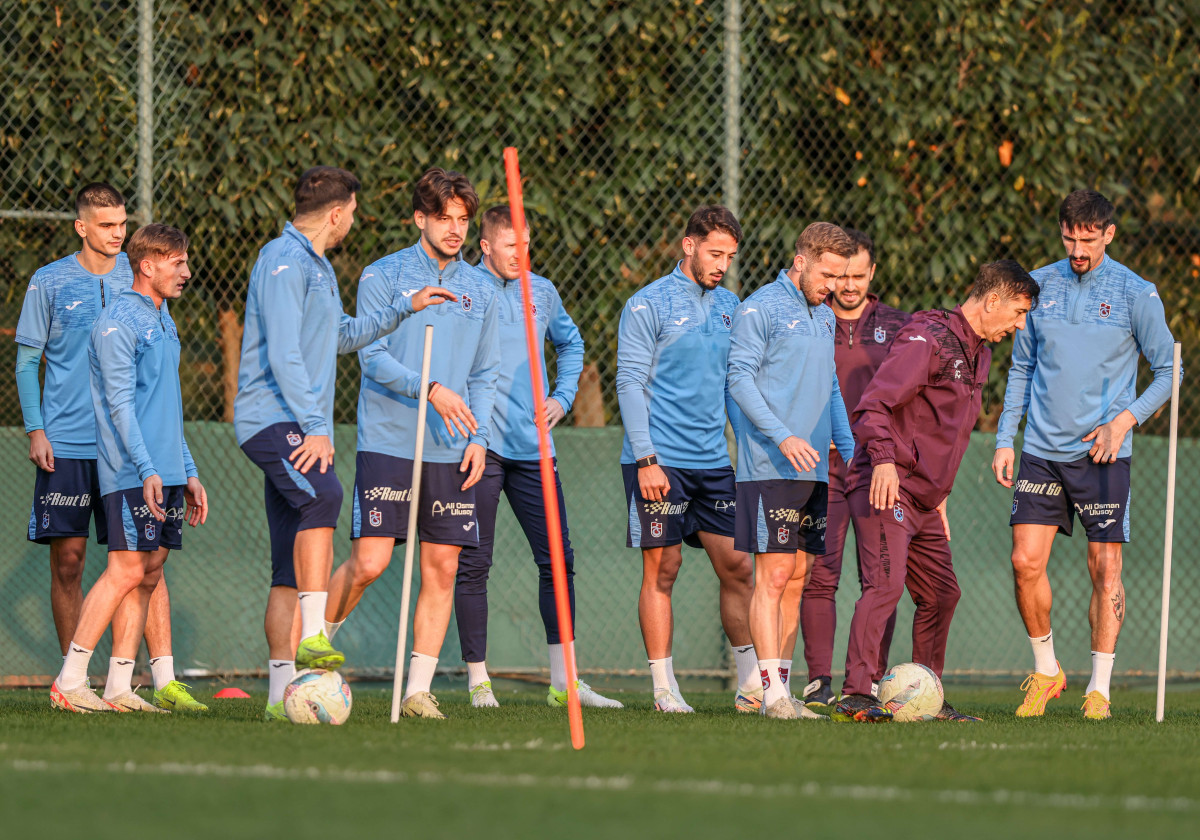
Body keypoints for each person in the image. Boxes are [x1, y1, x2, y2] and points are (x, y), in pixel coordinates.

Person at [234, 166, 454, 721]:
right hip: (272, 417)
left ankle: (279, 696)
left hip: (292, 418)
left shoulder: (318, 267)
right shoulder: (284, 262)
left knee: (290, 563)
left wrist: (408, 306)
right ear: (337, 214)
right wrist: (315, 425)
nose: (353, 221)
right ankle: (313, 638)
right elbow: (284, 354)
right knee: (325, 496)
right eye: (353, 212)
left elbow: (340, 338)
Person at [17, 185, 204, 713]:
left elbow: (161, 395)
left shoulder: (151, 296)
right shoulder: (52, 282)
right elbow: (29, 363)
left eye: (123, 224)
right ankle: (72, 677)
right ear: (82, 226)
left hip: (141, 447)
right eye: (106, 225)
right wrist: (37, 429)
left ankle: (130, 682)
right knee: (78, 562)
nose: (117, 234)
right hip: (79, 442)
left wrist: (183, 465)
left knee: (146, 563)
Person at [993, 190, 1176, 720]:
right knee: (1024, 563)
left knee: (1105, 569)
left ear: (1109, 235)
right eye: (1069, 237)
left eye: (1088, 239)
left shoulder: (1137, 293)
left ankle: (1100, 687)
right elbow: (1022, 367)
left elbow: (1171, 371)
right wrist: (1007, 436)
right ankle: (1047, 670)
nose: (1077, 248)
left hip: (1103, 455)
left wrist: (1125, 420)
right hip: (1041, 453)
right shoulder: (1039, 284)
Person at [323, 168, 498, 720]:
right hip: (391, 440)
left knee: (442, 567)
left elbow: (488, 372)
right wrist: (431, 390)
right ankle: (316, 646)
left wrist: (482, 438)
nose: (455, 229)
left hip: (453, 446)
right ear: (420, 218)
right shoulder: (382, 275)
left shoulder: (481, 290)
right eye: (444, 218)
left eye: (463, 219)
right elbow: (371, 358)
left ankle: (418, 689)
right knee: (370, 562)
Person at [836, 260, 1037, 723]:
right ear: (992, 301)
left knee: (942, 594)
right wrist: (884, 460)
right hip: (886, 483)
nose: (1020, 324)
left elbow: (943, 431)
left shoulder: (980, 352)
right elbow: (874, 406)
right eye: (1019, 311)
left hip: (924, 499)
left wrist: (939, 496)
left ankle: (927, 697)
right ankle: (856, 694)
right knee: (884, 586)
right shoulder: (925, 337)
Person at [451, 206, 622, 709]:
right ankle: (478, 681)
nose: (520, 256)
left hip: (535, 452)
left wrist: (563, 397)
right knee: (474, 564)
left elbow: (572, 344)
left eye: (526, 246)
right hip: (478, 448)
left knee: (558, 562)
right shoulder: (464, 288)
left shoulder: (541, 291)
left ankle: (564, 681)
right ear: (485, 245)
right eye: (511, 247)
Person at [616, 205, 757, 713]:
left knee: (739, 566)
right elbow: (628, 383)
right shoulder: (645, 304)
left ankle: (751, 687)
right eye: (715, 253)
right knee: (665, 566)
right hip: (657, 461)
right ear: (688, 245)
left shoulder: (732, 307)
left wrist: (751, 456)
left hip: (712, 463)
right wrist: (646, 458)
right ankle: (663, 688)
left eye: (730, 256)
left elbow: (733, 388)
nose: (722, 264)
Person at [727, 222, 856, 720]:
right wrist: (782, 435)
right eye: (828, 274)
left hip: (815, 469)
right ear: (800, 261)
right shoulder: (760, 307)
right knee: (775, 573)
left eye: (842, 276)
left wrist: (849, 448)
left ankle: (777, 690)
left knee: (799, 574)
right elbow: (738, 378)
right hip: (769, 463)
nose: (835, 287)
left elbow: (831, 388)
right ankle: (770, 694)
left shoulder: (824, 317)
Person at [796, 228, 910, 709]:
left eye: (858, 275)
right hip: (819, 467)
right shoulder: (807, 317)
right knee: (819, 575)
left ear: (873, 273)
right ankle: (819, 679)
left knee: (881, 580)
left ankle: (873, 678)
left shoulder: (900, 326)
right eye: (839, 274)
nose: (848, 284)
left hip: (876, 468)